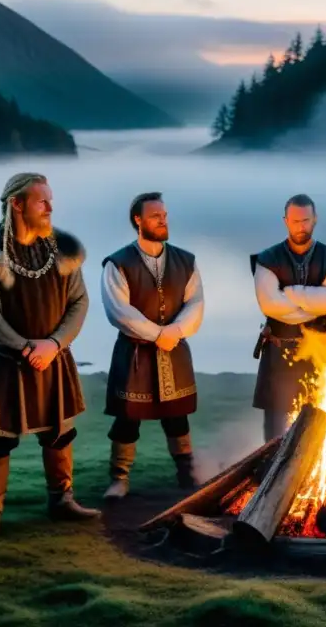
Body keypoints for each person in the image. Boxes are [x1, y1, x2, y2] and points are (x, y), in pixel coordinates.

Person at [0, 172, 99, 541]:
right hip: (6, 361)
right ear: (16, 204)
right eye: (42, 201)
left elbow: (79, 302)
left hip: (54, 356)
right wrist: (23, 347)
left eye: (50, 200)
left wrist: (54, 344)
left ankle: (62, 500)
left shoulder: (62, 249)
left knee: (59, 435)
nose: (50, 207)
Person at [100, 192, 205, 496]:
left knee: (177, 416)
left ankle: (187, 474)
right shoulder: (118, 263)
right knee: (128, 417)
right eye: (155, 215)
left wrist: (176, 331)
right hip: (135, 352)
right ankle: (119, 479)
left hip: (174, 349)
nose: (163, 220)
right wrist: (158, 334)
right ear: (138, 220)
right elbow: (119, 311)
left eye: (165, 215)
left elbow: (195, 304)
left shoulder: (186, 261)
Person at [251, 194, 326, 441]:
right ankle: (273, 476)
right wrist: (316, 303)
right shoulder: (267, 259)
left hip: (320, 355)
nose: (301, 226)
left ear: (315, 220)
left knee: (320, 422)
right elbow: (270, 304)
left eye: (306, 220)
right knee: (275, 430)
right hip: (278, 353)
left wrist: (293, 294)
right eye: (295, 221)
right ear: (285, 221)